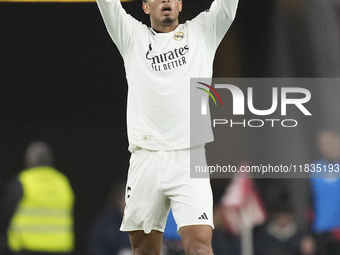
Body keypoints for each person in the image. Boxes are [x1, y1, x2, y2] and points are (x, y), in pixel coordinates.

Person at [96, 0, 239, 254]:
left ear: (180, 5)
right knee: (143, 248)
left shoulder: (203, 31)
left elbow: (227, 5)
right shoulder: (131, 37)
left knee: (199, 243)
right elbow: (108, 5)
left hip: (189, 154)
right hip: (145, 155)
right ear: (145, 7)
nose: (166, 1)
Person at [0, 141, 75, 255]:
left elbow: (6, 215)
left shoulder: (23, 181)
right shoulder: (62, 182)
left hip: (27, 247)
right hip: (59, 247)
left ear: (29, 160)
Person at [308, 128, 340, 255]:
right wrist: (308, 234)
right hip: (322, 232)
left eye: (330, 142)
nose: (327, 147)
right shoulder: (315, 169)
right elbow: (310, 203)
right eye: (323, 143)